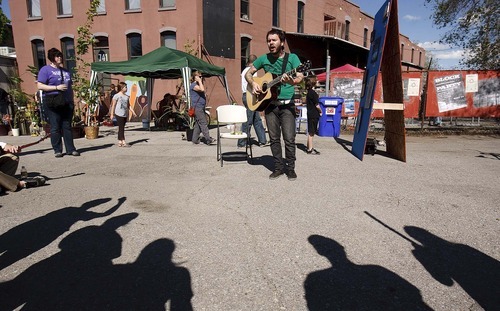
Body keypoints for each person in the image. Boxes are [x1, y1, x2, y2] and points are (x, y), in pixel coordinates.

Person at [246, 29, 304, 180]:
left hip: (287, 105)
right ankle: (278, 168)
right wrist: (253, 84)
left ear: (282, 42)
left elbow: (299, 77)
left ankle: (290, 169)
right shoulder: (263, 59)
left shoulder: (293, 58)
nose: (271, 43)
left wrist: (290, 80)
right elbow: (248, 73)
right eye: (269, 40)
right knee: (274, 138)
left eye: (274, 40)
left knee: (289, 139)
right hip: (270, 104)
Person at [37, 48, 79, 158]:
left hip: (67, 102)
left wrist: (72, 99)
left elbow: (70, 87)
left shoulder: (65, 71)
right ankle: (57, 150)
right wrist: (56, 87)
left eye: (60, 56)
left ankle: (71, 149)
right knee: (55, 126)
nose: (59, 58)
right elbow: (40, 85)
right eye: (57, 56)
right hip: (53, 101)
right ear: (52, 58)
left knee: (67, 126)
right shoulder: (45, 70)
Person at [237, 54, 269, 149]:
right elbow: (255, 84)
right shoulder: (252, 72)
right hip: (251, 96)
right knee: (248, 120)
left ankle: (262, 140)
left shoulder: (243, 71)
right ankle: (241, 142)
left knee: (257, 119)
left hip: (245, 95)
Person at [190, 70, 215, 145]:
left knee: (198, 124)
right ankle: (208, 139)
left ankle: (195, 139)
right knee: (203, 123)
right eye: (199, 76)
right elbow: (202, 89)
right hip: (197, 107)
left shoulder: (197, 84)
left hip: (200, 107)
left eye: (201, 76)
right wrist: (199, 81)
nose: (201, 77)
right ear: (195, 77)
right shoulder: (193, 85)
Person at [110, 82, 137, 147]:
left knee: (121, 127)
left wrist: (133, 112)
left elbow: (129, 106)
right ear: (121, 88)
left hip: (124, 114)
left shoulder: (126, 97)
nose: (126, 88)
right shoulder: (116, 95)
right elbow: (113, 105)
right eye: (125, 87)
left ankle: (120, 141)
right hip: (118, 113)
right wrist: (112, 114)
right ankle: (123, 141)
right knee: (121, 127)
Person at [305, 75, 322, 155]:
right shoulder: (313, 93)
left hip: (310, 114)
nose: (318, 81)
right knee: (312, 133)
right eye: (317, 80)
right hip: (314, 114)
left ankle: (309, 147)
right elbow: (317, 105)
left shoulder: (309, 92)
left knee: (310, 132)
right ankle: (310, 149)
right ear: (313, 82)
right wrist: (321, 111)